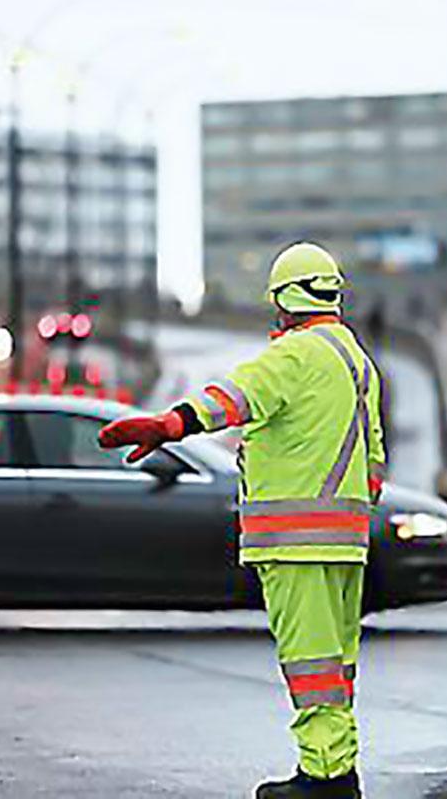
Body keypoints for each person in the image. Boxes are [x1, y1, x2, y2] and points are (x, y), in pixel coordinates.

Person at [98, 241, 385, 798]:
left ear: (281, 300)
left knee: (308, 664)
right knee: (335, 665)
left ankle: (322, 780)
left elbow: (232, 397)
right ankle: (337, 769)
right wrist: (350, 513)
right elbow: (373, 455)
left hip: (295, 543)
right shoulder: (358, 363)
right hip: (345, 540)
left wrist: (169, 424)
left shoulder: (294, 355)